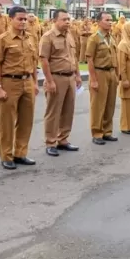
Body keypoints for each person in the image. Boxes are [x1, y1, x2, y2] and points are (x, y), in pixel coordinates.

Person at [0, 6, 40, 169]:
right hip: (9, 82)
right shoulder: (3, 39)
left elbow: (33, 63)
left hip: (27, 82)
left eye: (25, 19)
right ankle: (6, 155)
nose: (23, 22)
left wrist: (34, 82)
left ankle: (21, 153)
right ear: (10, 19)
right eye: (20, 19)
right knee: (7, 121)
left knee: (26, 120)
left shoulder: (31, 38)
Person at [39, 9, 82, 157]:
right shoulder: (48, 37)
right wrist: (49, 81)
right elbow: (44, 60)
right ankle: (50, 142)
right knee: (53, 112)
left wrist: (77, 75)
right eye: (64, 19)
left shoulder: (69, 35)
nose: (68, 22)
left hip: (70, 77)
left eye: (68, 19)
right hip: (56, 77)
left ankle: (63, 139)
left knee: (68, 111)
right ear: (54, 21)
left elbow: (74, 57)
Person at [87, 11, 120, 143]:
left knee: (110, 104)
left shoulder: (111, 38)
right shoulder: (94, 38)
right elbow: (90, 60)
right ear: (99, 22)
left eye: (111, 20)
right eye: (107, 20)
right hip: (99, 72)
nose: (110, 22)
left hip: (111, 72)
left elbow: (115, 57)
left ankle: (107, 131)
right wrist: (93, 80)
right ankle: (97, 133)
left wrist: (117, 75)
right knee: (98, 105)